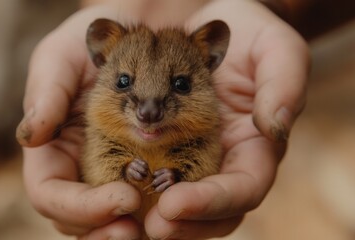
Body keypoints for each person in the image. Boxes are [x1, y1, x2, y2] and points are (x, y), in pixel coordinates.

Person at [16, 0, 309, 239]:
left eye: (180, 85)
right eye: (123, 82)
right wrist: (124, 169)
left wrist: (178, 175)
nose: (148, 112)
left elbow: (202, 167)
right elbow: (97, 171)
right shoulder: (103, 131)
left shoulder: (202, 136)